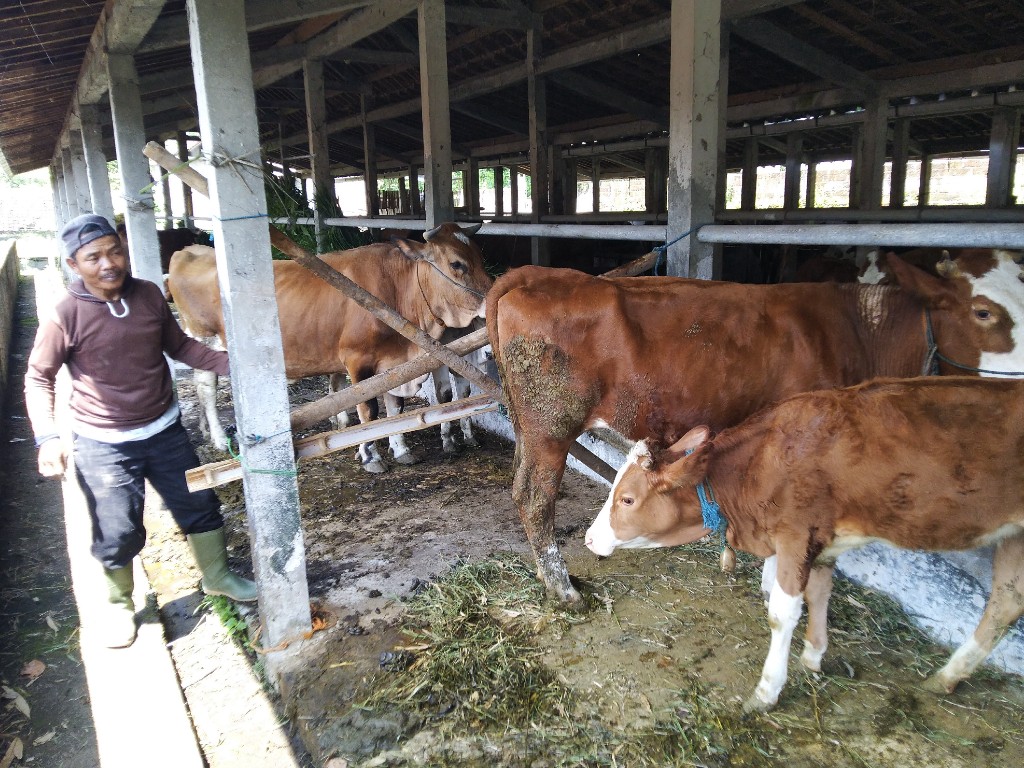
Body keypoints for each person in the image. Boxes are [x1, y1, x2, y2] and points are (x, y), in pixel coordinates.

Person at [24, 213, 256, 649]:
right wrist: (48, 436)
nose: (109, 263)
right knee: (117, 529)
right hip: (103, 441)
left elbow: (180, 346)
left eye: (115, 251)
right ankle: (118, 605)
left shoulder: (148, 293)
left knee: (200, 505)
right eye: (94, 257)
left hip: (165, 429)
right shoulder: (65, 314)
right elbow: (38, 377)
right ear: (75, 265)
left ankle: (219, 577)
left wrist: (233, 365)